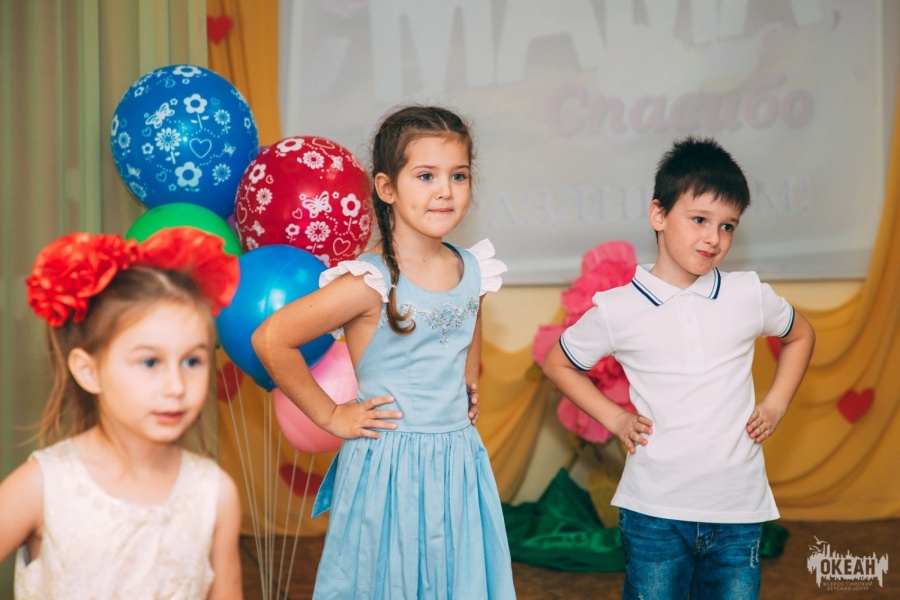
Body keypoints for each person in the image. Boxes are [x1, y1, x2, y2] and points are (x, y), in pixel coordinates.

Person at [252, 105, 517, 599]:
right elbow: (271, 339)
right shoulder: (369, 281)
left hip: (457, 462)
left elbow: (468, 325)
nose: (445, 190)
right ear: (387, 188)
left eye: (458, 175)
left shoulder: (473, 268)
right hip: (390, 469)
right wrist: (331, 415)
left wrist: (466, 383)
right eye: (426, 175)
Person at [543, 137, 815, 599]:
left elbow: (800, 335)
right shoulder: (618, 308)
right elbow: (558, 363)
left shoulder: (747, 294)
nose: (714, 238)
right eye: (699, 220)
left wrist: (776, 404)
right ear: (658, 214)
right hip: (654, 512)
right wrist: (616, 418)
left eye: (727, 226)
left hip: (738, 511)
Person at [0, 228, 244, 599]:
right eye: (150, 362)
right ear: (89, 371)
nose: (176, 386)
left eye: (192, 361)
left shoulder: (215, 494)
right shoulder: (43, 485)